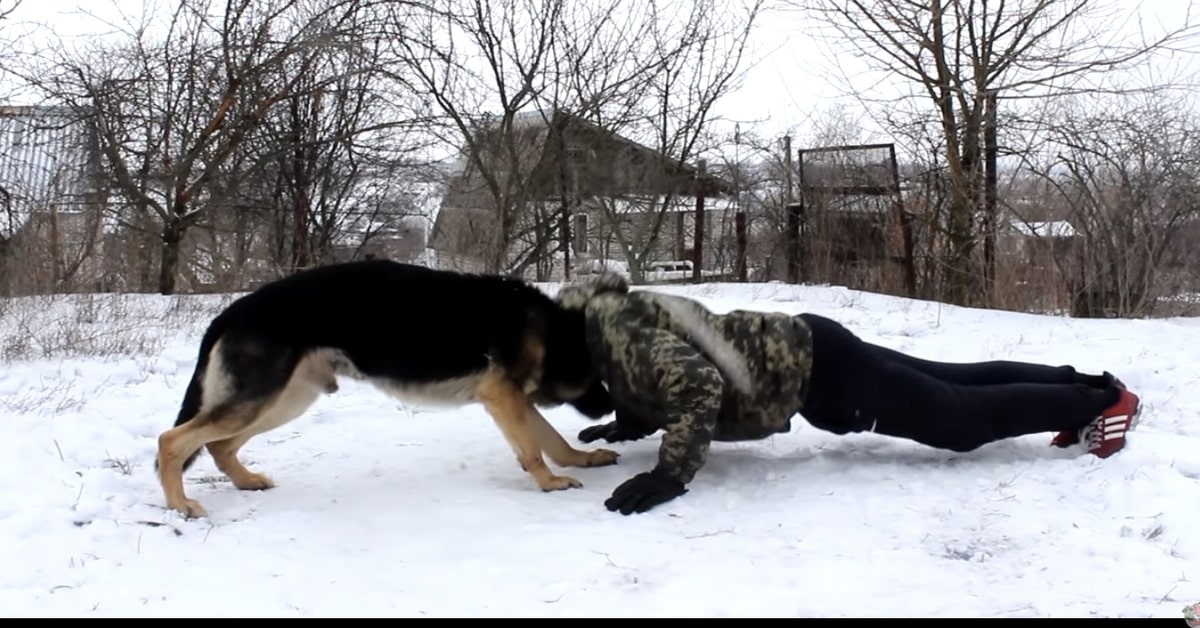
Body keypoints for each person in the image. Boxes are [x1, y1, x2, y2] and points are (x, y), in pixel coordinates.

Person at [554, 272, 1141, 516]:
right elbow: (652, 374)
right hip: (811, 346)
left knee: (960, 422)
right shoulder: (606, 317)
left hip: (816, 374)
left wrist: (670, 474)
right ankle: (1079, 384)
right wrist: (629, 424)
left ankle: (1100, 404)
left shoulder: (613, 337)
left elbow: (696, 384)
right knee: (955, 382)